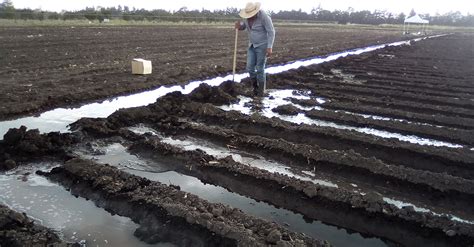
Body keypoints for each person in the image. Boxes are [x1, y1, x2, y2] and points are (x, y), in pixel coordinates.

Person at [235, 2, 275, 96]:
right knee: (249, 68)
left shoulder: (264, 17)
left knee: (260, 68)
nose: (249, 16)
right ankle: (255, 87)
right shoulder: (247, 18)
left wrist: (269, 47)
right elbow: (245, 27)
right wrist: (240, 27)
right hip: (252, 45)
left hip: (262, 46)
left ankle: (261, 92)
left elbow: (271, 32)